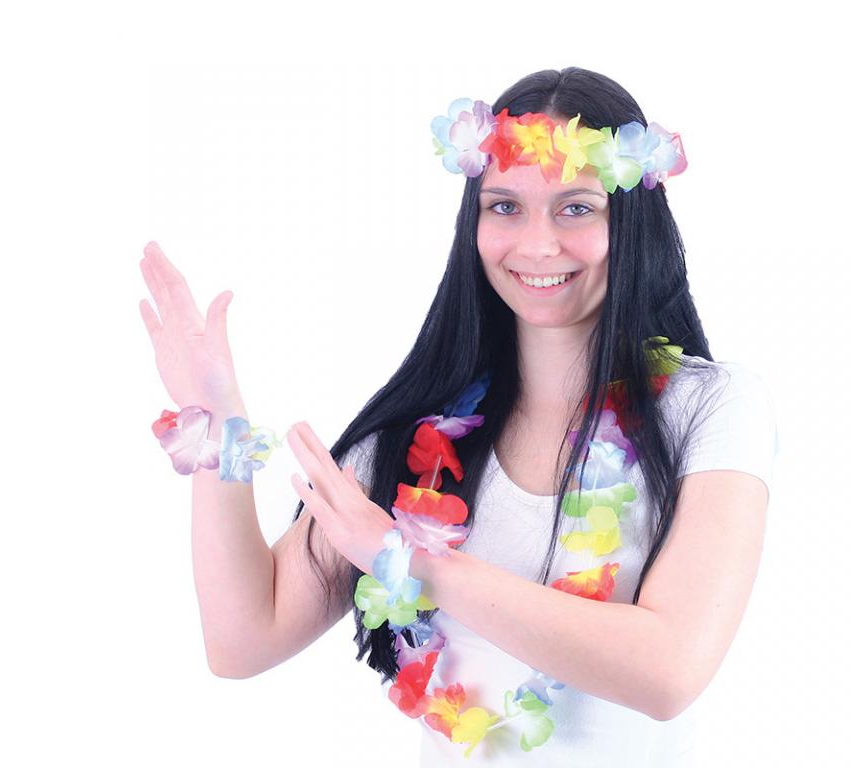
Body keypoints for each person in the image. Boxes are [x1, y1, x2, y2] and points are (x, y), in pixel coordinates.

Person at [139, 66, 780, 766]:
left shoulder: (711, 407)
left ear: (629, 220)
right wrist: (216, 426)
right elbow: (242, 641)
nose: (537, 244)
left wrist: (411, 561)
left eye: (576, 208)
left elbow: (669, 669)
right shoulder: (416, 441)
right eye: (505, 207)